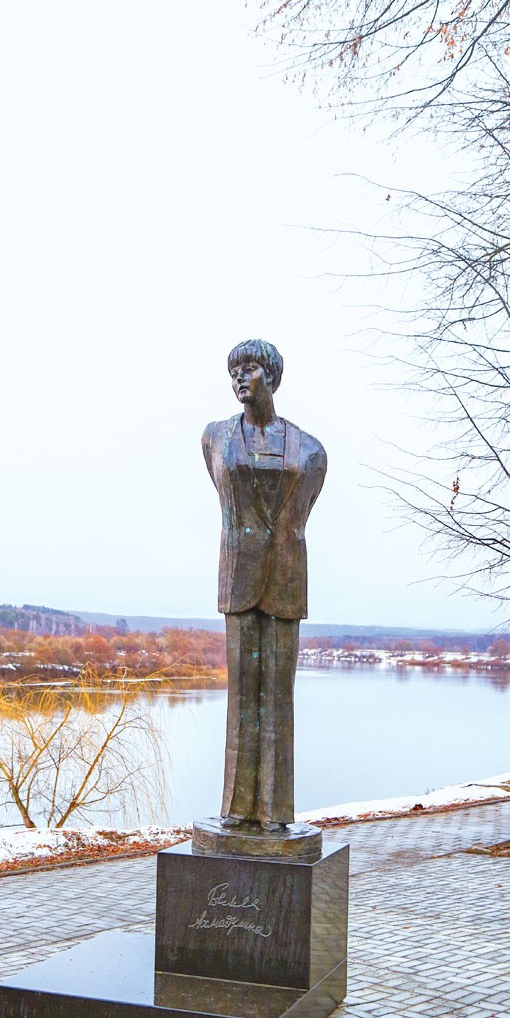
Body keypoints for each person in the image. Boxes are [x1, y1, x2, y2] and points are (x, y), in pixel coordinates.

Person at [202, 338, 326, 828]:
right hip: (238, 577)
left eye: (250, 368)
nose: (240, 377)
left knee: (278, 698)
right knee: (240, 698)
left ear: (271, 377)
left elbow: (302, 510)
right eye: (234, 370)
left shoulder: (310, 450)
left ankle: (275, 811)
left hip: (286, 578)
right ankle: (236, 808)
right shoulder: (215, 437)